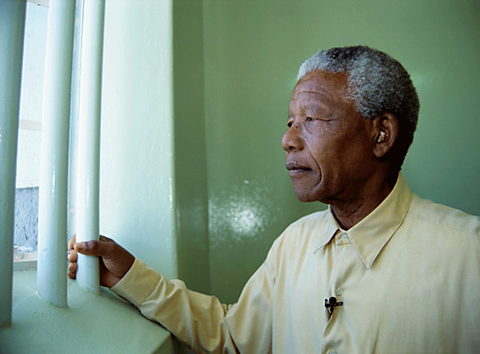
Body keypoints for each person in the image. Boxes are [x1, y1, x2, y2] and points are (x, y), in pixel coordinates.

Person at [68, 46, 480, 353]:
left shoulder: (468, 255)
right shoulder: (294, 243)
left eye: (312, 119)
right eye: (290, 122)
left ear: (381, 134)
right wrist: (130, 278)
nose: (287, 139)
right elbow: (233, 335)